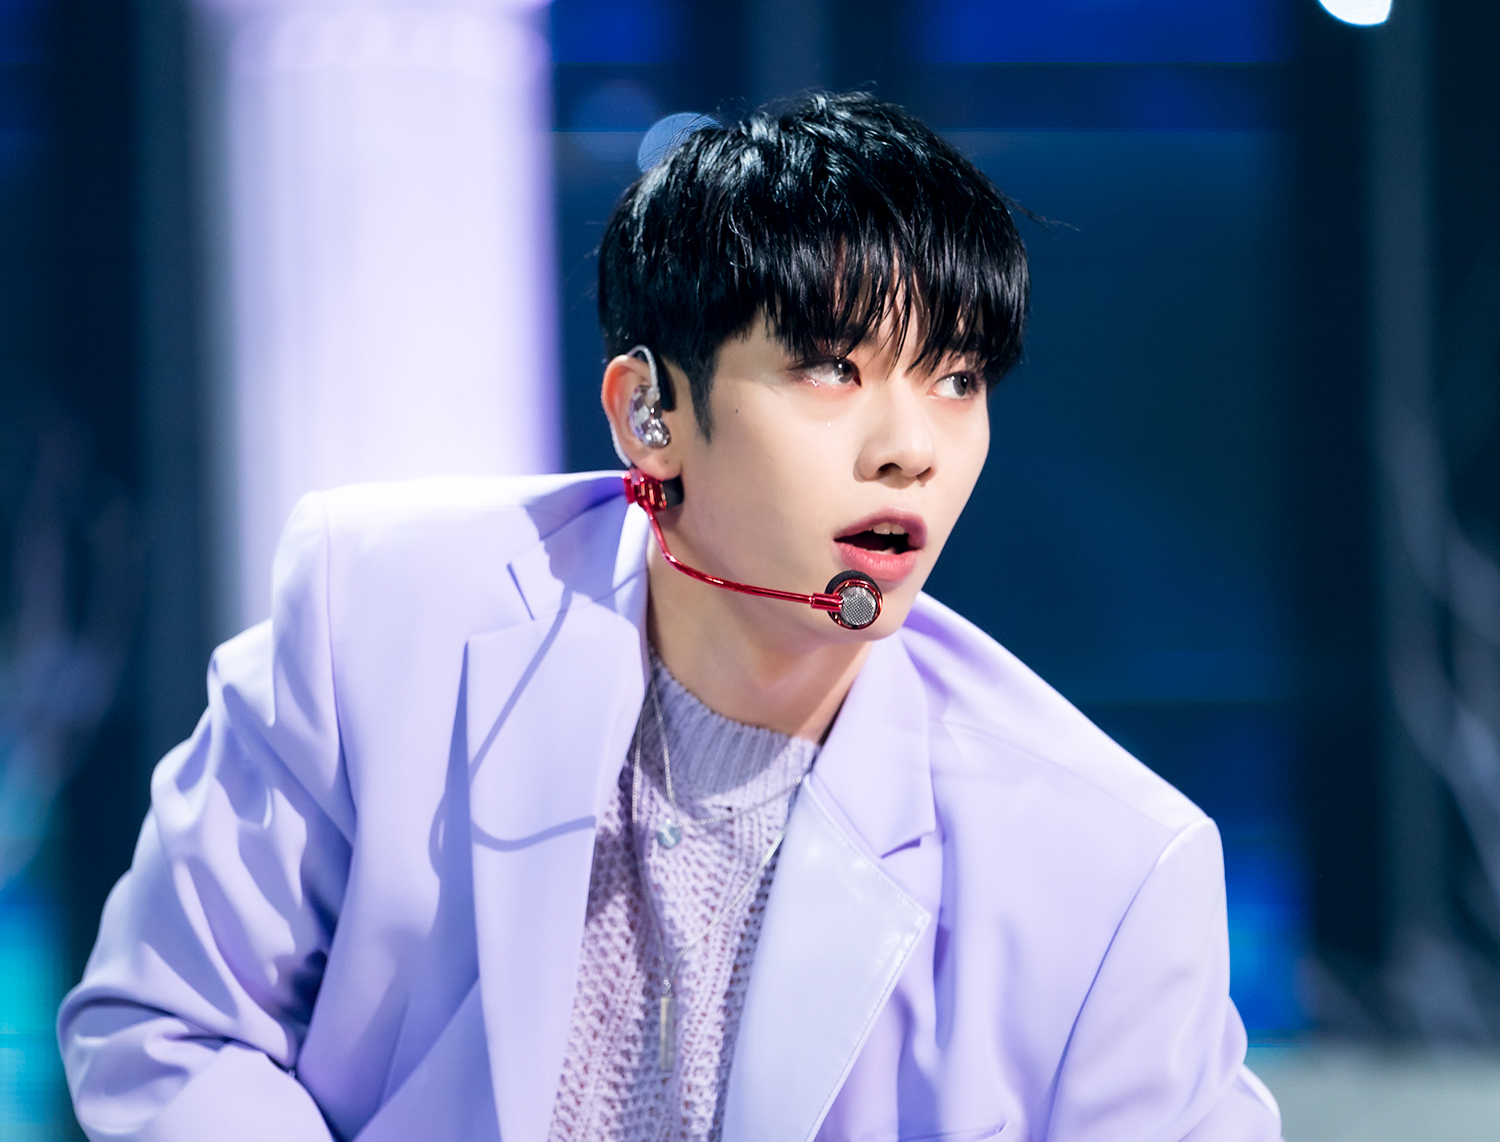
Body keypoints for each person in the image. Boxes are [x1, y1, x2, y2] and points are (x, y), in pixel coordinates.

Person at [58, 92, 1283, 1142]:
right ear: (650, 413)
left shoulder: (1106, 864)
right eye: (833, 367)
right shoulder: (378, 617)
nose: (911, 447)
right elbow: (169, 1021)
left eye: (957, 379)